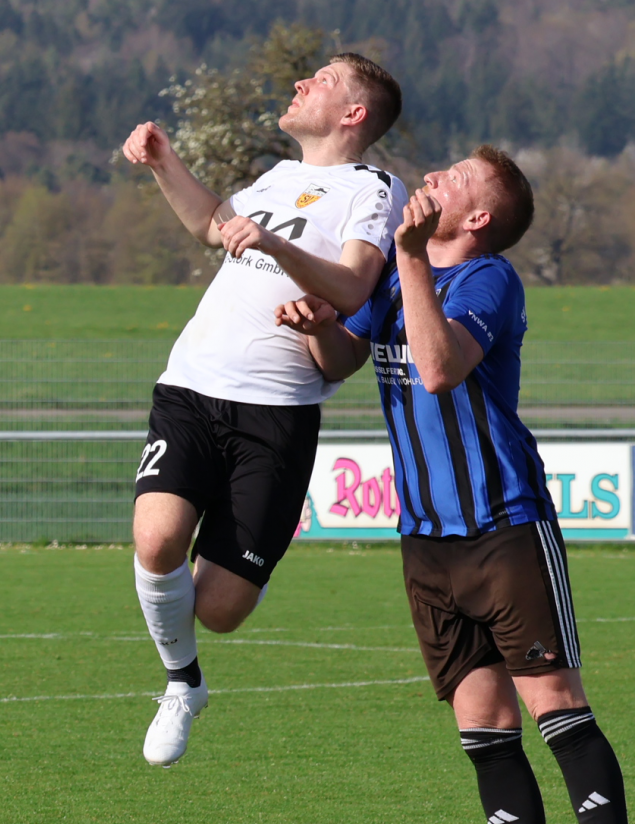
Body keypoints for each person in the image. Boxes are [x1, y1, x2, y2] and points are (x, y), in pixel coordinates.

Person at [274, 145, 635, 824]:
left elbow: (439, 369)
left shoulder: (487, 280)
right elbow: (338, 362)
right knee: (483, 731)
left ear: (477, 218)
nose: (433, 178)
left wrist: (408, 256)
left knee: (558, 712)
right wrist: (315, 325)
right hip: (425, 541)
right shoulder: (391, 277)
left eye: (453, 179)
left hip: (504, 528)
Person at [121, 54, 407, 768]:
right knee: (155, 541)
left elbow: (352, 286)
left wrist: (275, 245)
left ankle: (236, 580)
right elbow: (213, 226)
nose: (302, 83)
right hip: (191, 386)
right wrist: (163, 162)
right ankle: (181, 684)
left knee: (220, 611)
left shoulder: (375, 188)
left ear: (354, 114)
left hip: (276, 413)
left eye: (323, 80)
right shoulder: (277, 176)